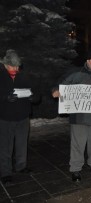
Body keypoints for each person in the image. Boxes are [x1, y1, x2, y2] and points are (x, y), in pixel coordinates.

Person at [52, 45, 91, 182]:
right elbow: (61, 84)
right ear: (87, 61)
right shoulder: (77, 74)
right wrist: (56, 90)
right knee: (78, 144)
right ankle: (76, 169)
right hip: (79, 116)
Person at [0, 49, 39, 185]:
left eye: (17, 66)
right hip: (5, 118)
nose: (15, 69)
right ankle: (5, 173)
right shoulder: (1, 76)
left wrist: (34, 98)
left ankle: (21, 166)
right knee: (5, 146)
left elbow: (36, 93)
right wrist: (5, 97)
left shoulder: (24, 76)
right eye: (12, 66)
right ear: (5, 64)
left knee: (22, 144)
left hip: (23, 116)